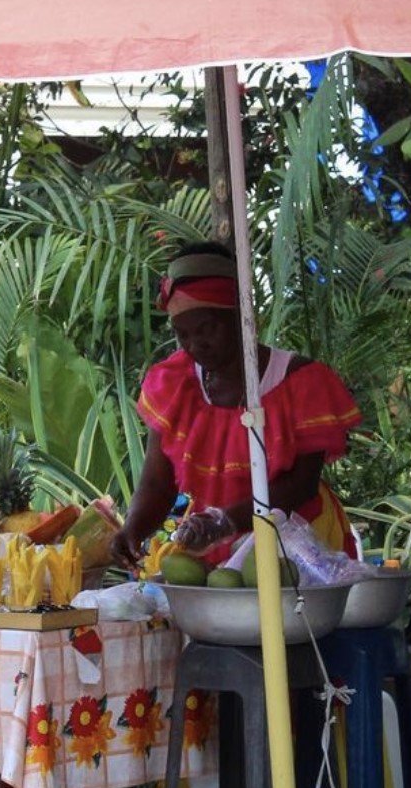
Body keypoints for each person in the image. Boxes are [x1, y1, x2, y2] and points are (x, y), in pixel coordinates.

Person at [110, 242, 362, 569]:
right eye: (182, 334)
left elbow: (301, 485)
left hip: (300, 546)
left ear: (241, 316)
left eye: (206, 329)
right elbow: (159, 482)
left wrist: (227, 521)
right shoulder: (176, 384)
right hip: (215, 544)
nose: (195, 345)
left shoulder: (300, 382)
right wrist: (133, 528)